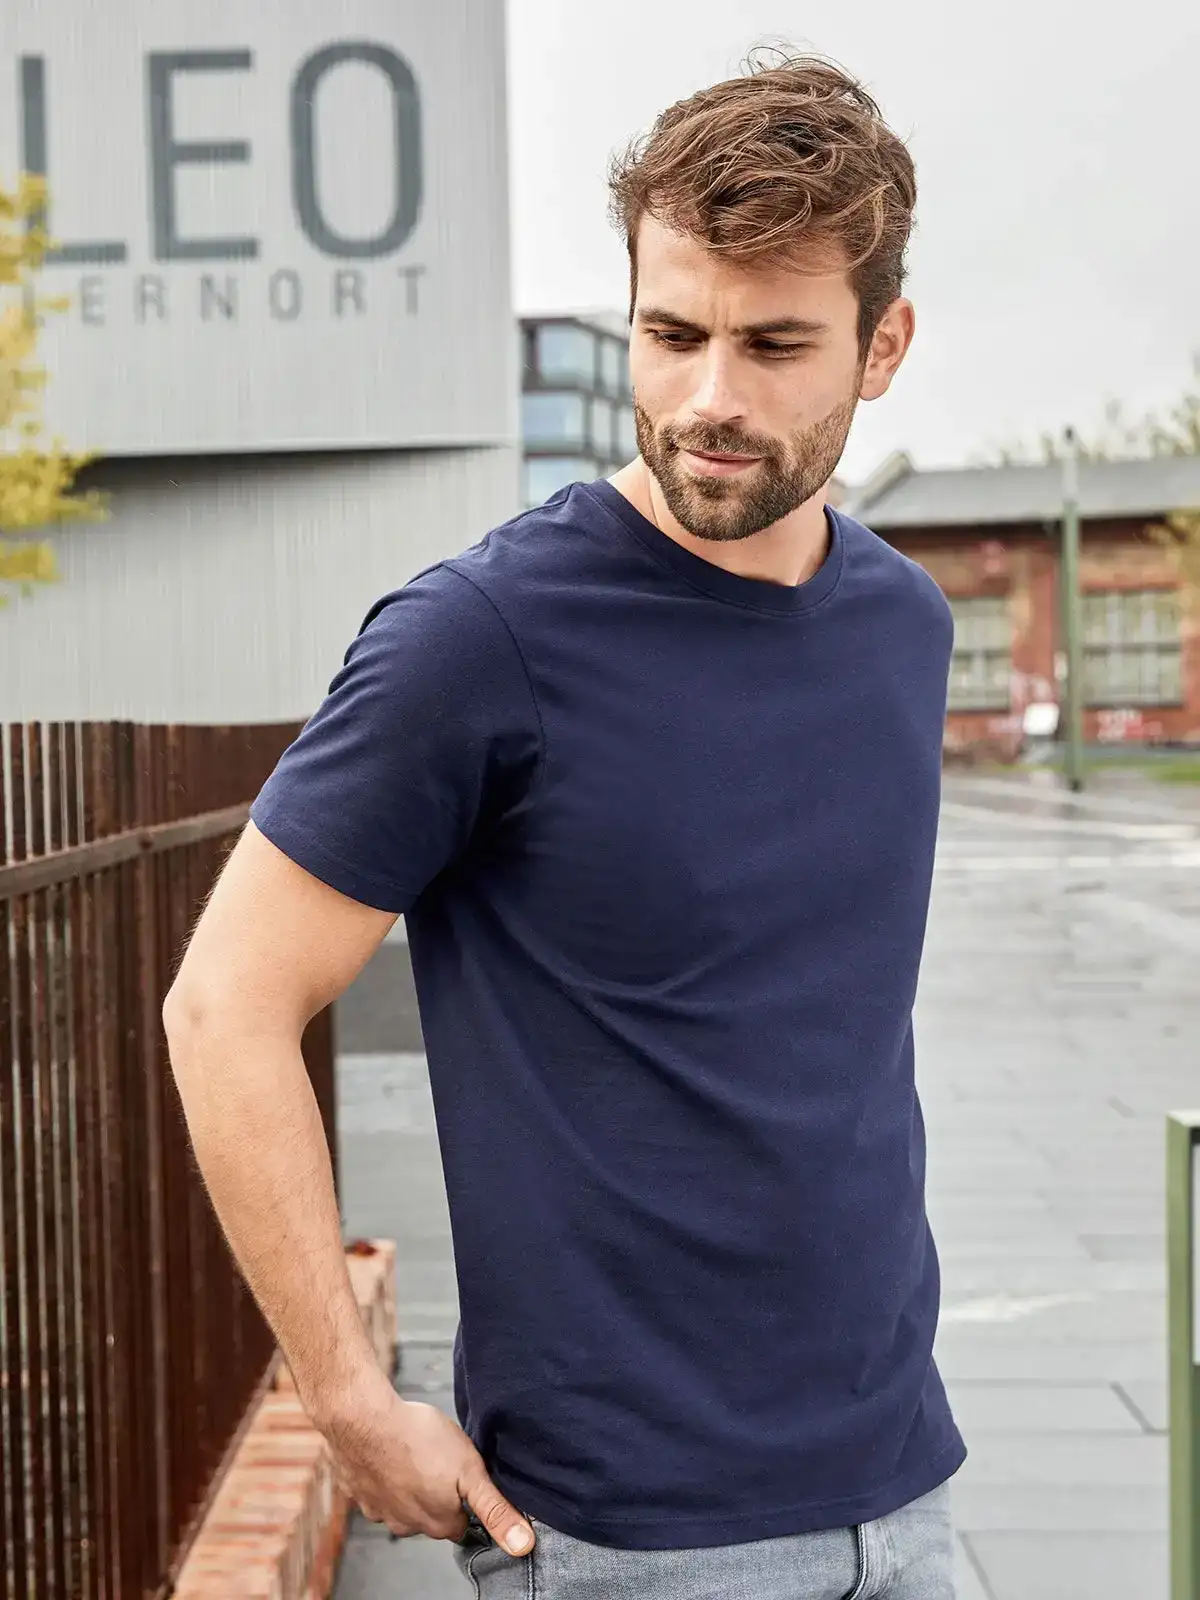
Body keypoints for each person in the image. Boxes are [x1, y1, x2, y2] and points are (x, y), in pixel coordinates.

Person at [164, 50, 965, 1600]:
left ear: (884, 346)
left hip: (902, 1484)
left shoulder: (904, 626)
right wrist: (344, 1393)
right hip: (621, 1534)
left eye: (775, 343)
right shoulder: (483, 637)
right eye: (672, 334)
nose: (711, 397)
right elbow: (225, 1005)